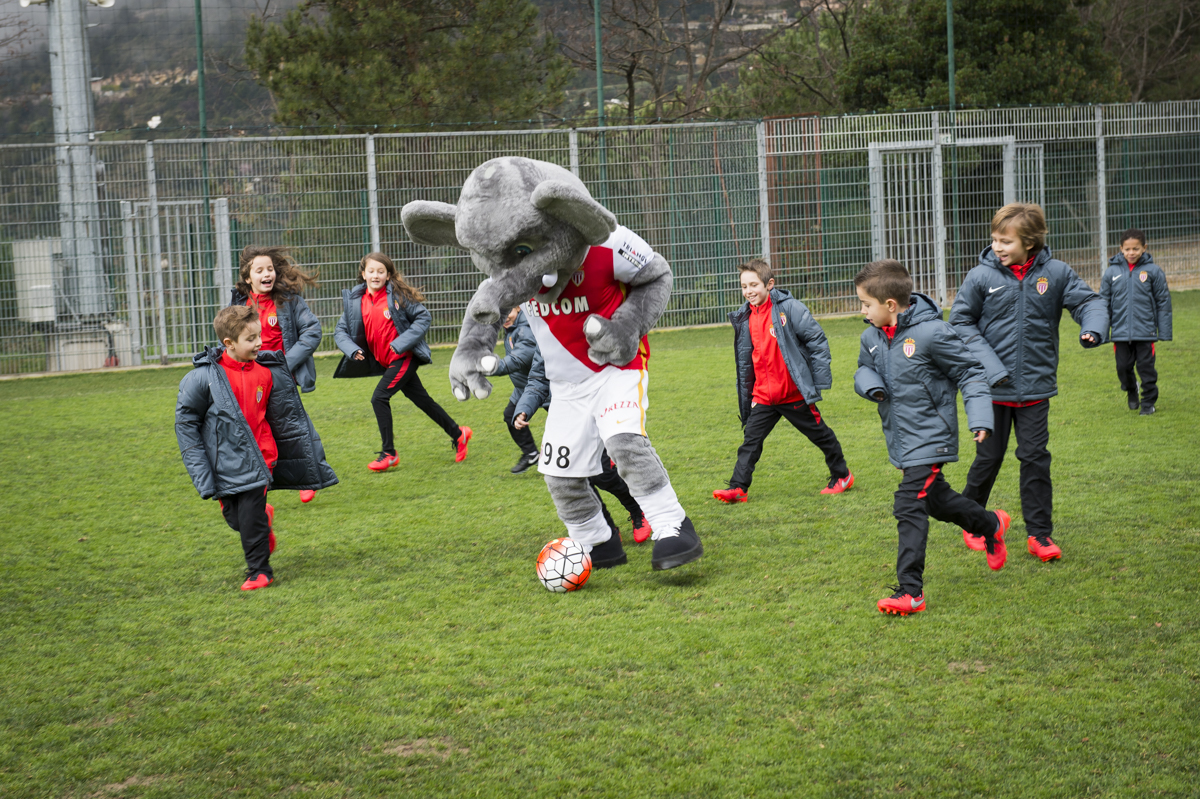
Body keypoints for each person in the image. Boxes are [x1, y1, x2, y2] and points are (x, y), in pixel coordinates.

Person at [950, 202, 1107, 563]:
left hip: (1035, 390)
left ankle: (1039, 534)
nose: (998, 247)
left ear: (1031, 241)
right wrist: (991, 367)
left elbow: (1090, 303)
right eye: (995, 239)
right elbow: (960, 324)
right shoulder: (980, 277)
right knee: (988, 459)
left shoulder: (1055, 273)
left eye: (1006, 241)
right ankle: (974, 522)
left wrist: (1093, 328)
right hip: (991, 391)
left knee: (1035, 459)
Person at [853, 260, 1009, 616]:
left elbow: (970, 373)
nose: (862, 311)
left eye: (866, 304)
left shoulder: (932, 333)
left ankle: (911, 591)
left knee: (908, 503)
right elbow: (864, 367)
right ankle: (990, 524)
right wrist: (870, 385)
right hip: (902, 438)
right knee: (935, 501)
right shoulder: (871, 336)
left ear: (890, 305)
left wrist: (981, 418)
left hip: (931, 436)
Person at [175, 305, 338, 591]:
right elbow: (186, 422)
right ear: (229, 344)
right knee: (237, 519)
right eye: (250, 339)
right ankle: (263, 521)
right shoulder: (204, 379)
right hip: (224, 463)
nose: (259, 343)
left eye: (259, 336)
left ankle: (260, 571)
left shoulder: (266, 373)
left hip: (260, 458)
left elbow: (284, 417)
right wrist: (202, 470)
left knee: (250, 522)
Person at [712, 259, 852, 504]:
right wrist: (751, 394)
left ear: (770, 284)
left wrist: (815, 382)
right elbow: (748, 360)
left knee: (821, 435)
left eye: (754, 284)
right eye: (744, 286)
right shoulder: (745, 317)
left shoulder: (791, 309)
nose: (749, 291)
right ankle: (738, 488)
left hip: (792, 394)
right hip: (763, 397)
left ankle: (842, 475)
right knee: (750, 443)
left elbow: (817, 341)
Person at [333, 252, 472, 471]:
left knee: (379, 397)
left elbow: (423, 317)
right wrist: (352, 350)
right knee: (423, 401)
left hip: (404, 358)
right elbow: (340, 330)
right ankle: (459, 433)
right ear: (363, 274)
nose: (376, 275)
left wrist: (401, 343)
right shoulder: (356, 301)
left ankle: (389, 453)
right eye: (371, 271)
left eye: (381, 271)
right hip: (386, 362)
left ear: (388, 276)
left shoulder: (397, 296)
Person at [513, 348, 653, 546]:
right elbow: (537, 379)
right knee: (571, 476)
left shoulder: (583, 325)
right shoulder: (543, 334)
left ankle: (638, 509)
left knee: (603, 475)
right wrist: (524, 409)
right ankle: (606, 529)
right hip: (566, 415)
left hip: (599, 408)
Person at [231, 245, 322, 503]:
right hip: (249, 379)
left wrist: (286, 363)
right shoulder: (238, 304)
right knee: (254, 429)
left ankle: (308, 478)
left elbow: (312, 332)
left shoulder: (289, 300)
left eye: (269, 268)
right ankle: (256, 482)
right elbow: (228, 338)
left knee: (293, 428)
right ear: (248, 278)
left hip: (281, 377)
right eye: (259, 270)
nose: (266, 274)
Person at [1099, 227, 1172, 415]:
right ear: (1121, 249)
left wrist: (1163, 332)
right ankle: (1131, 390)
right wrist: (1102, 331)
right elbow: (1103, 304)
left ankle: (1148, 403)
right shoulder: (1111, 273)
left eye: (1136, 249)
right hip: (1120, 332)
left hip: (1145, 331)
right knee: (1123, 368)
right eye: (1127, 249)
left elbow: (1163, 301)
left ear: (1144, 248)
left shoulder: (1153, 271)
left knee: (1146, 370)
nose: (1131, 253)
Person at [490, 307, 541, 474]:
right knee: (510, 415)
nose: (504, 318)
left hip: (543, 388)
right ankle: (531, 453)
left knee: (570, 425)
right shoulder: (513, 326)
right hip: (523, 387)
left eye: (508, 312)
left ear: (518, 308)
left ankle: (604, 453)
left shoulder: (525, 329)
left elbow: (518, 359)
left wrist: (490, 367)